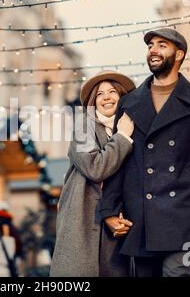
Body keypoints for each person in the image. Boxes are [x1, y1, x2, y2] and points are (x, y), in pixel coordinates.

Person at [100, 28, 190, 277]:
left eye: (162, 45)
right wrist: (109, 211)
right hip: (141, 222)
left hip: (185, 222)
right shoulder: (129, 103)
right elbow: (119, 160)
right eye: (151, 45)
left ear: (179, 54)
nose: (153, 50)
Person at [50, 70, 135, 277]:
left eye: (112, 91)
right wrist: (123, 137)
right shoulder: (82, 127)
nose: (106, 97)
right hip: (82, 222)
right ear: (93, 102)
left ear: (122, 96)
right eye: (99, 94)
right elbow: (95, 168)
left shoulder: (132, 128)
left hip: (118, 229)